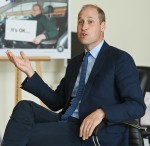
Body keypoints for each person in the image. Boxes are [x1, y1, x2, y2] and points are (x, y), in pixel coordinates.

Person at [1, 4, 146, 146]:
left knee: (24, 134)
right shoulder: (75, 62)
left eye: (90, 21)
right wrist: (30, 72)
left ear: (102, 26)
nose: (84, 27)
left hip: (92, 131)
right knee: (24, 107)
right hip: (67, 121)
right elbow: (56, 102)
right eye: (80, 22)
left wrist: (102, 112)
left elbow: (137, 106)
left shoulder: (119, 59)